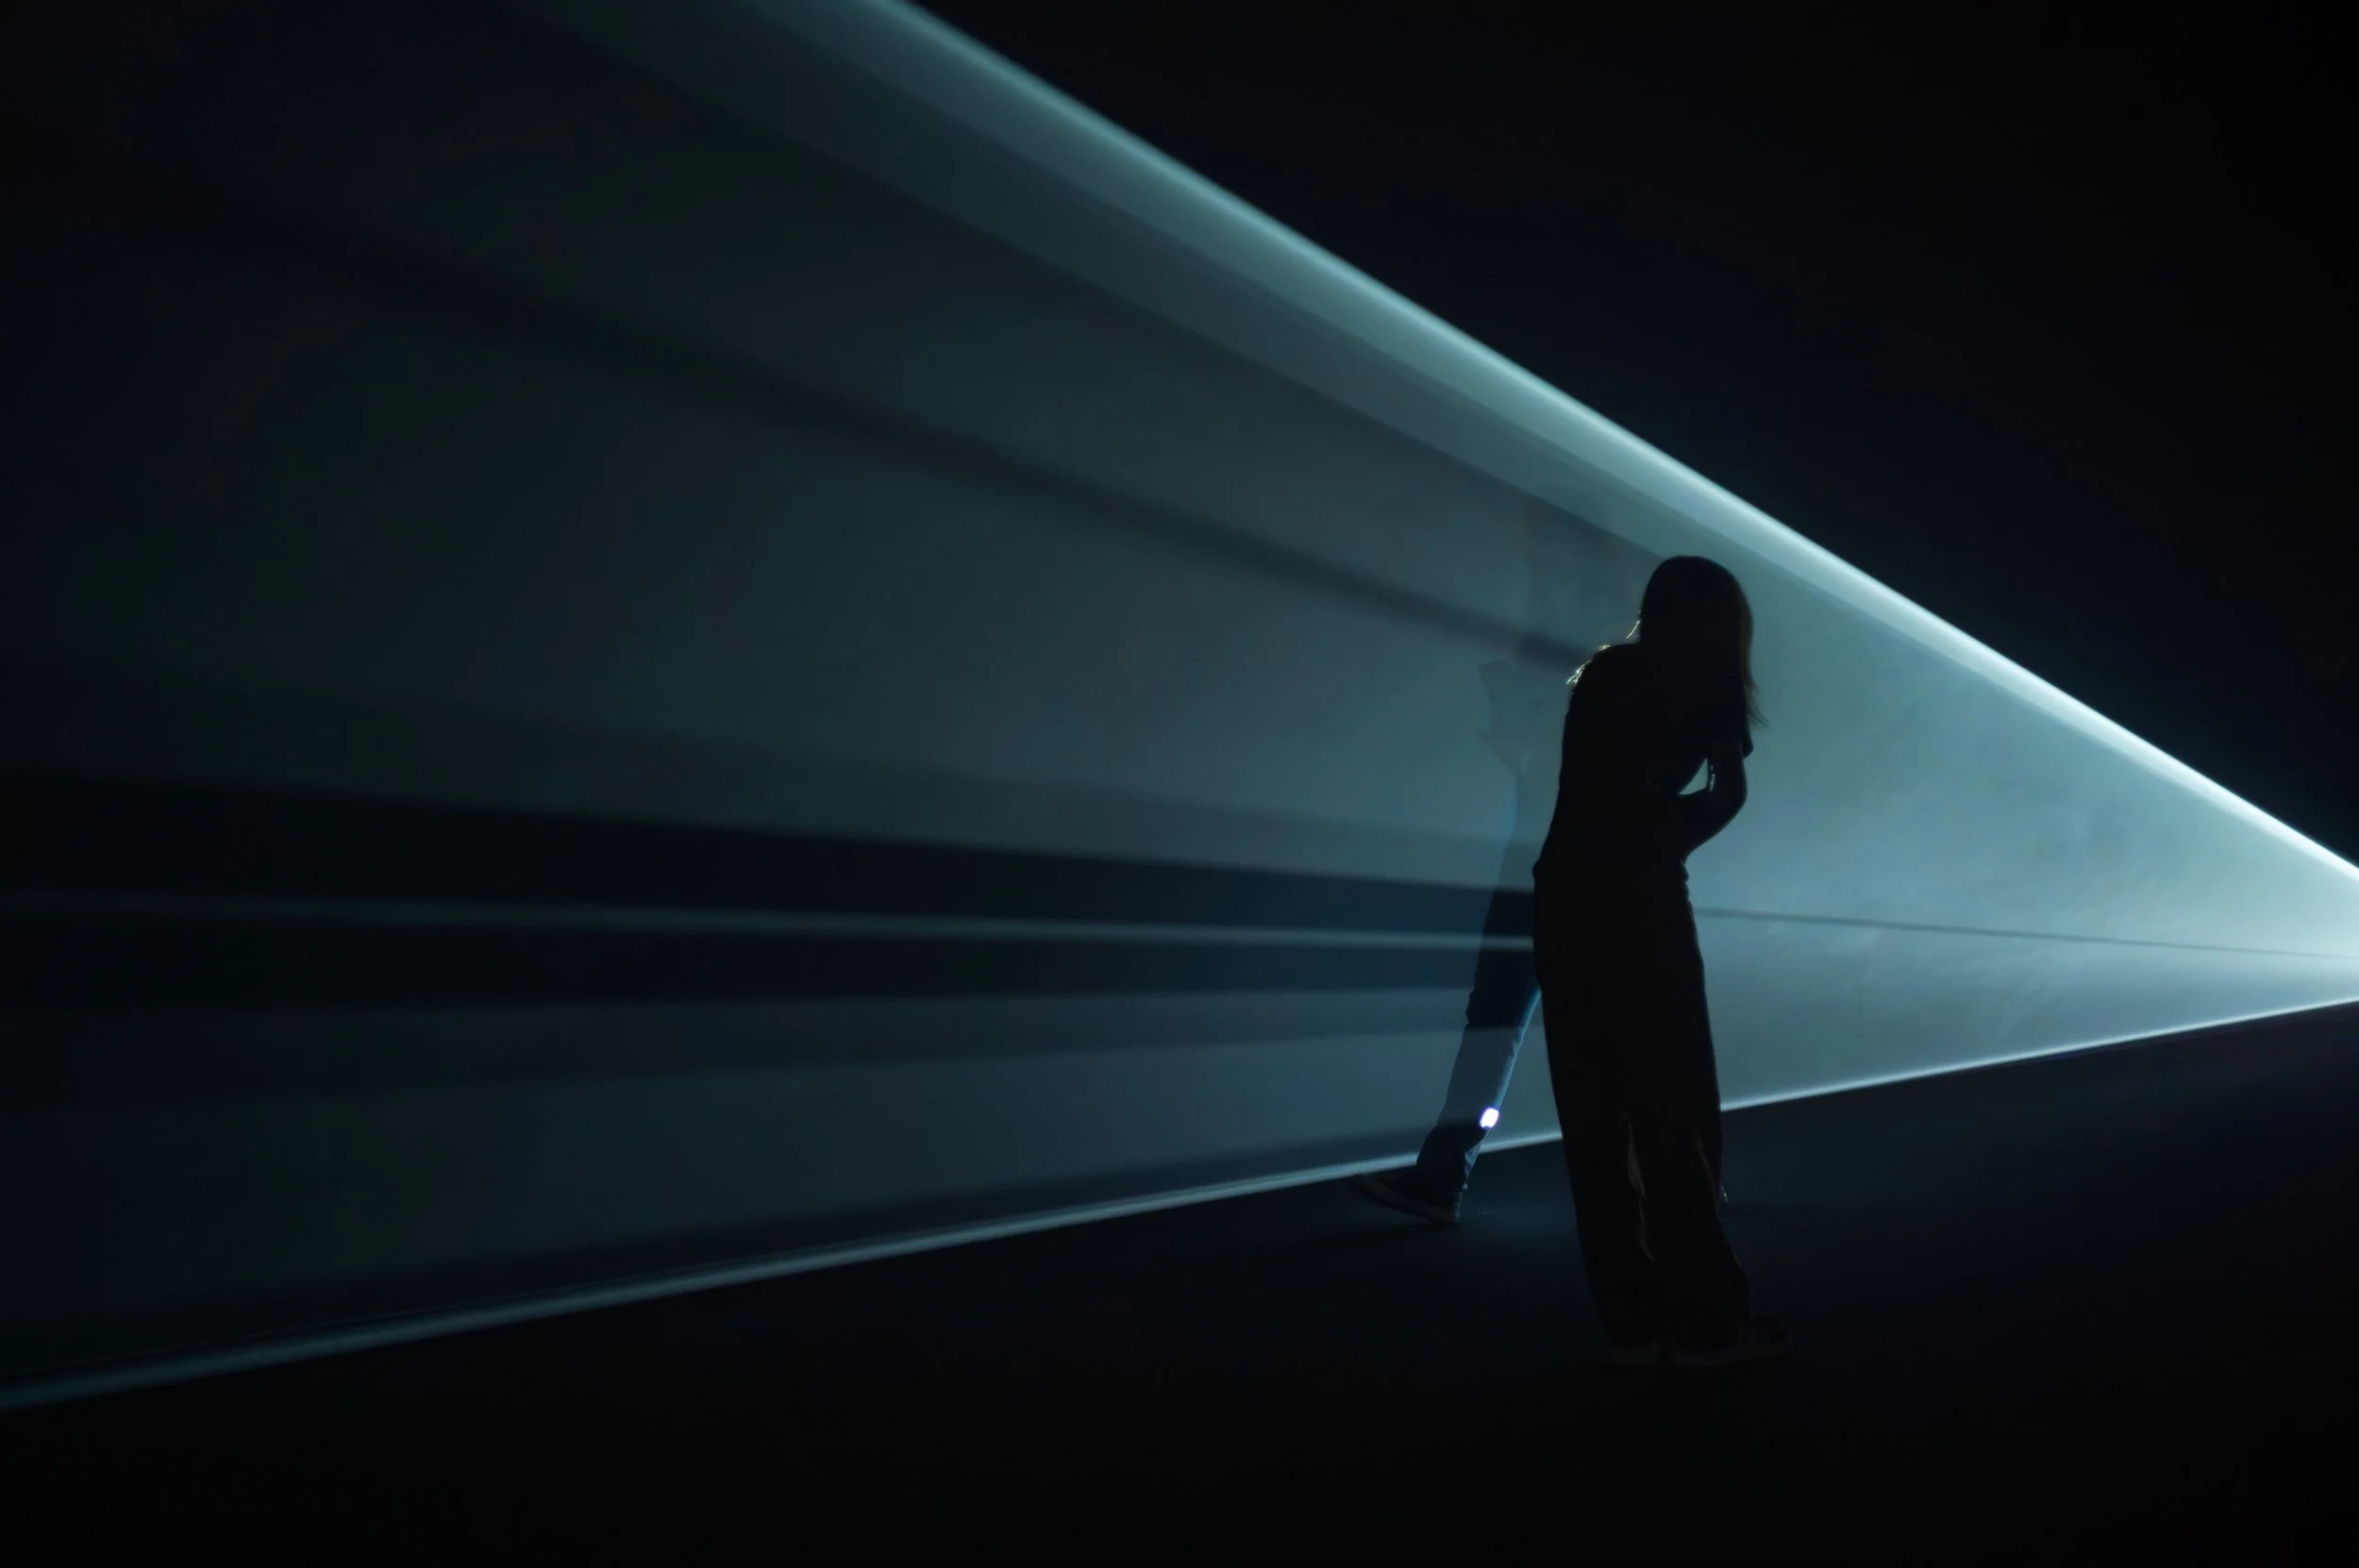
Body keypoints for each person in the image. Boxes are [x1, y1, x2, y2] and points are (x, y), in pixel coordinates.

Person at [1534, 556, 1784, 1369]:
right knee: (1672, 1110)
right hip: (1641, 906)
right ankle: (1709, 1322)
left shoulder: (1607, 675)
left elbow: (1587, 798)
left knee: (1594, 1121)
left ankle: (1633, 1322)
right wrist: (1664, 839)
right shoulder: (1707, 690)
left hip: (1567, 900)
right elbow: (1728, 796)